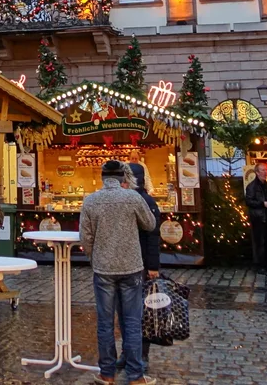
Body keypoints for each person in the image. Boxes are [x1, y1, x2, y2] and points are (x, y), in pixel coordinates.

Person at [79, 159, 157, 385]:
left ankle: (107, 373)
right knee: (132, 322)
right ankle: (136, 375)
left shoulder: (91, 201)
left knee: (105, 322)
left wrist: (94, 257)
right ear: (123, 177)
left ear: (103, 178)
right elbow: (150, 224)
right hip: (131, 267)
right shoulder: (133, 198)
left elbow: (86, 237)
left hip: (104, 268)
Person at [123, 162, 161, 375]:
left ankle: (141, 354)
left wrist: (153, 266)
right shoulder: (129, 199)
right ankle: (128, 352)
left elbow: (153, 235)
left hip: (142, 263)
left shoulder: (145, 201)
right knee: (128, 311)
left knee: (141, 312)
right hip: (130, 261)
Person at [244, 162, 267, 274]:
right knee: (260, 243)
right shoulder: (252, 186)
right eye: (262, 170)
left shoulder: (266, 185)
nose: (265, 172)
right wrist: (262, 204)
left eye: (266, 170)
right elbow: (249, 201)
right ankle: (261, 266)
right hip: (259, 218)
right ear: (257, 173)